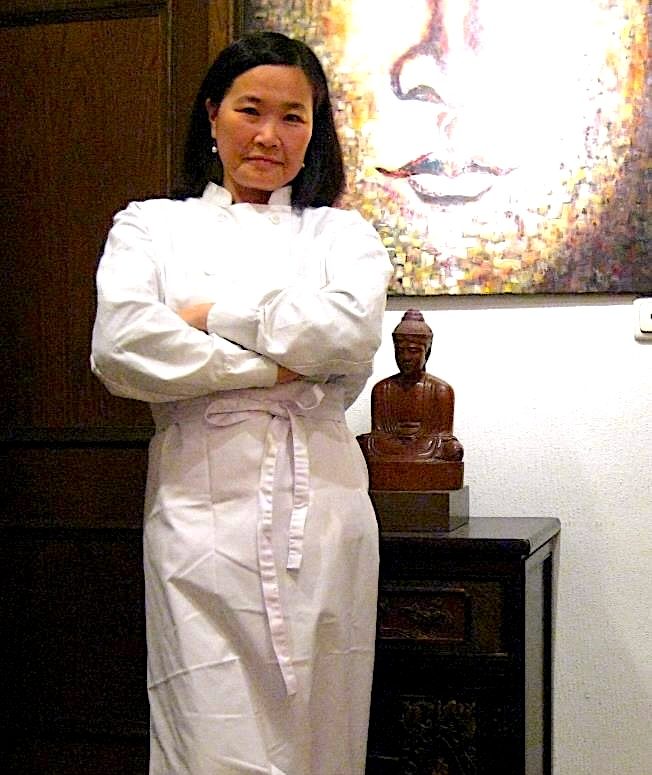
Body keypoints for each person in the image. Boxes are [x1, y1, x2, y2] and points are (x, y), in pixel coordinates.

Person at [91, 31, 392, 775]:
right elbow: (123, 347)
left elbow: (348, 333)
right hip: (198, 509)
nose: (268, 135)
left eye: (293, 117)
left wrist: (211, 312)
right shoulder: (150, 226)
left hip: (322, 509)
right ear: (212, 114)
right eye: (250, 110)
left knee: (321, 719)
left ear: (315, 130)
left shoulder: (341, 234)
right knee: (206, 724)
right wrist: (276, 369)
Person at [245, 0, 649, 294]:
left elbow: (340, 349)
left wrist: (221, 322)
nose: (446, 78)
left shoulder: (348, 241)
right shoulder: (202, 231)